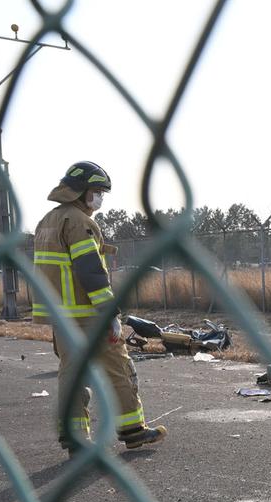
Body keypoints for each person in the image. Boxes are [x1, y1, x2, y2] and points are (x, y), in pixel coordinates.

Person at [33, 161, 167, 452]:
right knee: (120, 369)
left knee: (72, 375)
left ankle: (75, 437)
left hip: (62, 316)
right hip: (88, 314)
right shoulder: (80, 221)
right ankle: (133, 430)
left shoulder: (47, 222)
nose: (100, 198)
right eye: (97, 192)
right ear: (81, 192)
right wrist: (110, 313)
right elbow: (90, 271)